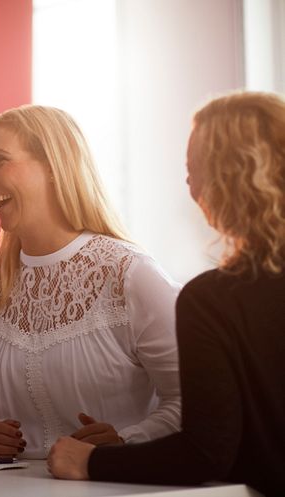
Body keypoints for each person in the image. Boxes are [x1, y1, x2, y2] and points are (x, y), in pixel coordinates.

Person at [47, 92, 285, 496]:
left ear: (228, 180)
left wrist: (89, 461)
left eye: (194, 170)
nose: (189, 185)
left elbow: (207, 452)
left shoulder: (213, 300)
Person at [0, 104, 181, 459]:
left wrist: (125, 443)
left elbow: (193, 400)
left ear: (52, 166)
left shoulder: (131, 275)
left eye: (0, 160)